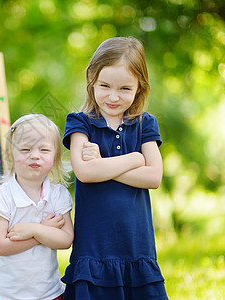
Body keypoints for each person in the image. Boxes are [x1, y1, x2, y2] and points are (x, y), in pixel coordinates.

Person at [62, 37, 169, 299]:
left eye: (124, 88)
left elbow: (153, 177)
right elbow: (85, 173)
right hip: (94, 250)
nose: (113, 96)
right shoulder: (80, 123)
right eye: (105, 85)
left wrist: (103, 164)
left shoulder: (145, 124)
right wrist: (134, 159)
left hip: (136, 248)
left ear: (139, 87)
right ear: (91, 78)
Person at [0, 114, 74, 300]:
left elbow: (66, 240)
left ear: (55, 158)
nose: (35, 155)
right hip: (5, 294)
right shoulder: (0, 196)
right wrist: (43, 233)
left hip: (48, 293)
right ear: (11, 155)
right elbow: (0, 246)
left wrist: (34, 229)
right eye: (25, 149)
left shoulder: (58, 195)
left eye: (44, 150)